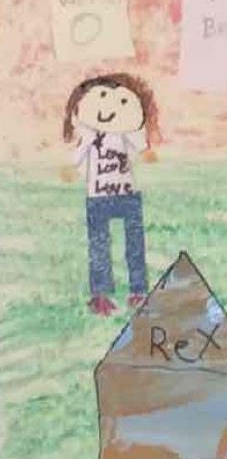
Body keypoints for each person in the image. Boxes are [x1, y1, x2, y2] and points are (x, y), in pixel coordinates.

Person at [63, 73, 156, 315]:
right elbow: (79, 154)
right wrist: (72, 168)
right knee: (99, 245)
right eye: (102, 96)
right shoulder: (89, 135)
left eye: (123, 101)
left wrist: (145, 152)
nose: (110, 108)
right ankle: (101, 295)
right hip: (98, 195)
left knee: (134, 244)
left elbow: (140, 144)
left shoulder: (126, 132)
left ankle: (138, 290)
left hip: (127, 192)